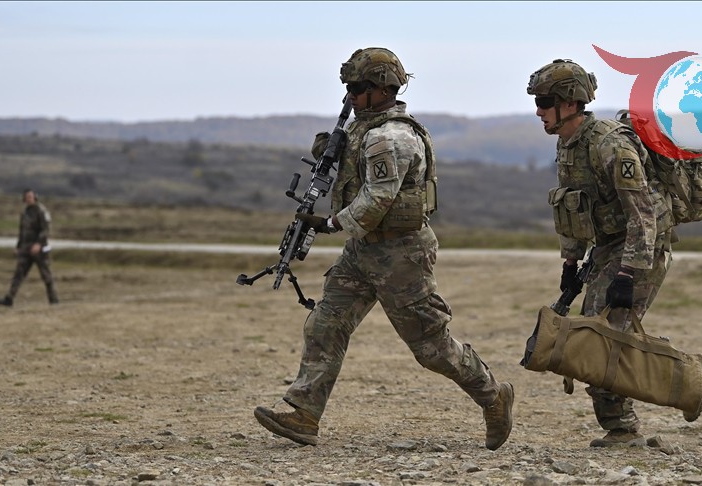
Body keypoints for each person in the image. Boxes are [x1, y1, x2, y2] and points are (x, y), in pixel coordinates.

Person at [254, 47, 514, 450]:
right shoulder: (363, 130)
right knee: (326, 323)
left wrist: (332, 223)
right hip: (362, 250)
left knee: (431, 347)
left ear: (383, 89)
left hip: (400, 254)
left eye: (358, 88)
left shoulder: (390, 138)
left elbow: (379, 197)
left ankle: (493, 395)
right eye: (348, 88)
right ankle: (304, 412)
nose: (351, 95)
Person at [526, 59, 675, 447]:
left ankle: (629, 422)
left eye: (544, 102)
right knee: (598, 332)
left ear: (570, 103)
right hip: (608, 246)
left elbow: (643, 213)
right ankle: (620, 425)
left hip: (639, 246)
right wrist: (570, 260)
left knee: (601, 336)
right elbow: (571, 206)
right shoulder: (568, 143)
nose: (538, 111)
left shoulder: (610, 144)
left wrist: (628, 273)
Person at [0, 188, 59, 306]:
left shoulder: (41, 211)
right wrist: (18, 246)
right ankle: (9, 299)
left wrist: (39, 243)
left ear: (35, 197)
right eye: (27, 197)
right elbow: (22, 231)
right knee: (18, 274)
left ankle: (54, 299)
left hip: (39, 249)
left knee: (46, 274)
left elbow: (45, 230)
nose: (29, 199)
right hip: (26, 248)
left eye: (31, 196)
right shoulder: (25, 212)